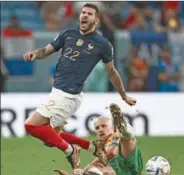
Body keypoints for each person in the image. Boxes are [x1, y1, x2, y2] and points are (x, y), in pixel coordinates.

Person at [23, 3, 136, 165]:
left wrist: (123, 95)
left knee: (30, 126)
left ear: (96, 20)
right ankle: (92, 147)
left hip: (67, 94)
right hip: (60, 93)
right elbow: (47, 50)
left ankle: (71, 150)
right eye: (83, 13)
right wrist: (35, 53)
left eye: (89, 14)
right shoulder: (68, 34)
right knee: (50, 138)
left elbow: (111, 71)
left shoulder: (103, 44)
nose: (84, 15)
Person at [54, 103, 143, 175]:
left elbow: (111, 152)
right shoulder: (100, 144)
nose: (100, 129)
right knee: (97, 169)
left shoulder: (115, 135)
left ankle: (124, 128)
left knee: (126, 139)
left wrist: (86, 168)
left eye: (104, 126)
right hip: (119, 173)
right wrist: (77, 174)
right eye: (97, 128)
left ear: (112, 127)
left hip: (130, 164)